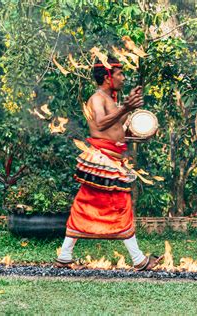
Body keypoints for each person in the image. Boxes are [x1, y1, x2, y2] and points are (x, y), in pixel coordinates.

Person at [56, 57, 161, 270]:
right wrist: (125, 108)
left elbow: (117, 123)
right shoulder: (97, 98)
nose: (123, 78)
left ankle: (65, 255)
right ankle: (139, 259)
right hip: (102, 159)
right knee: (118, 203)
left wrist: (129, 109)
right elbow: (101, 123)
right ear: (107, 77)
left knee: (86, 203)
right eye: (119, 74)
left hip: (110, 158)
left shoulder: (109, 98)